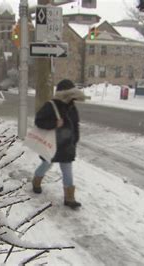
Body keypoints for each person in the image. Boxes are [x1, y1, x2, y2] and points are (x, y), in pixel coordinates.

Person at [32, 79, 85, 209]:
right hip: (51, 143)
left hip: (67, 145)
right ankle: (36, 181)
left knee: (67, 170)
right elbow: (39, 121)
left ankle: (69, 198)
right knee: (46, 164)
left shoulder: (72, 107)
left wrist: (74, 140)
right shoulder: (51, 105)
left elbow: (75, 125)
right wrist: (55, 123)